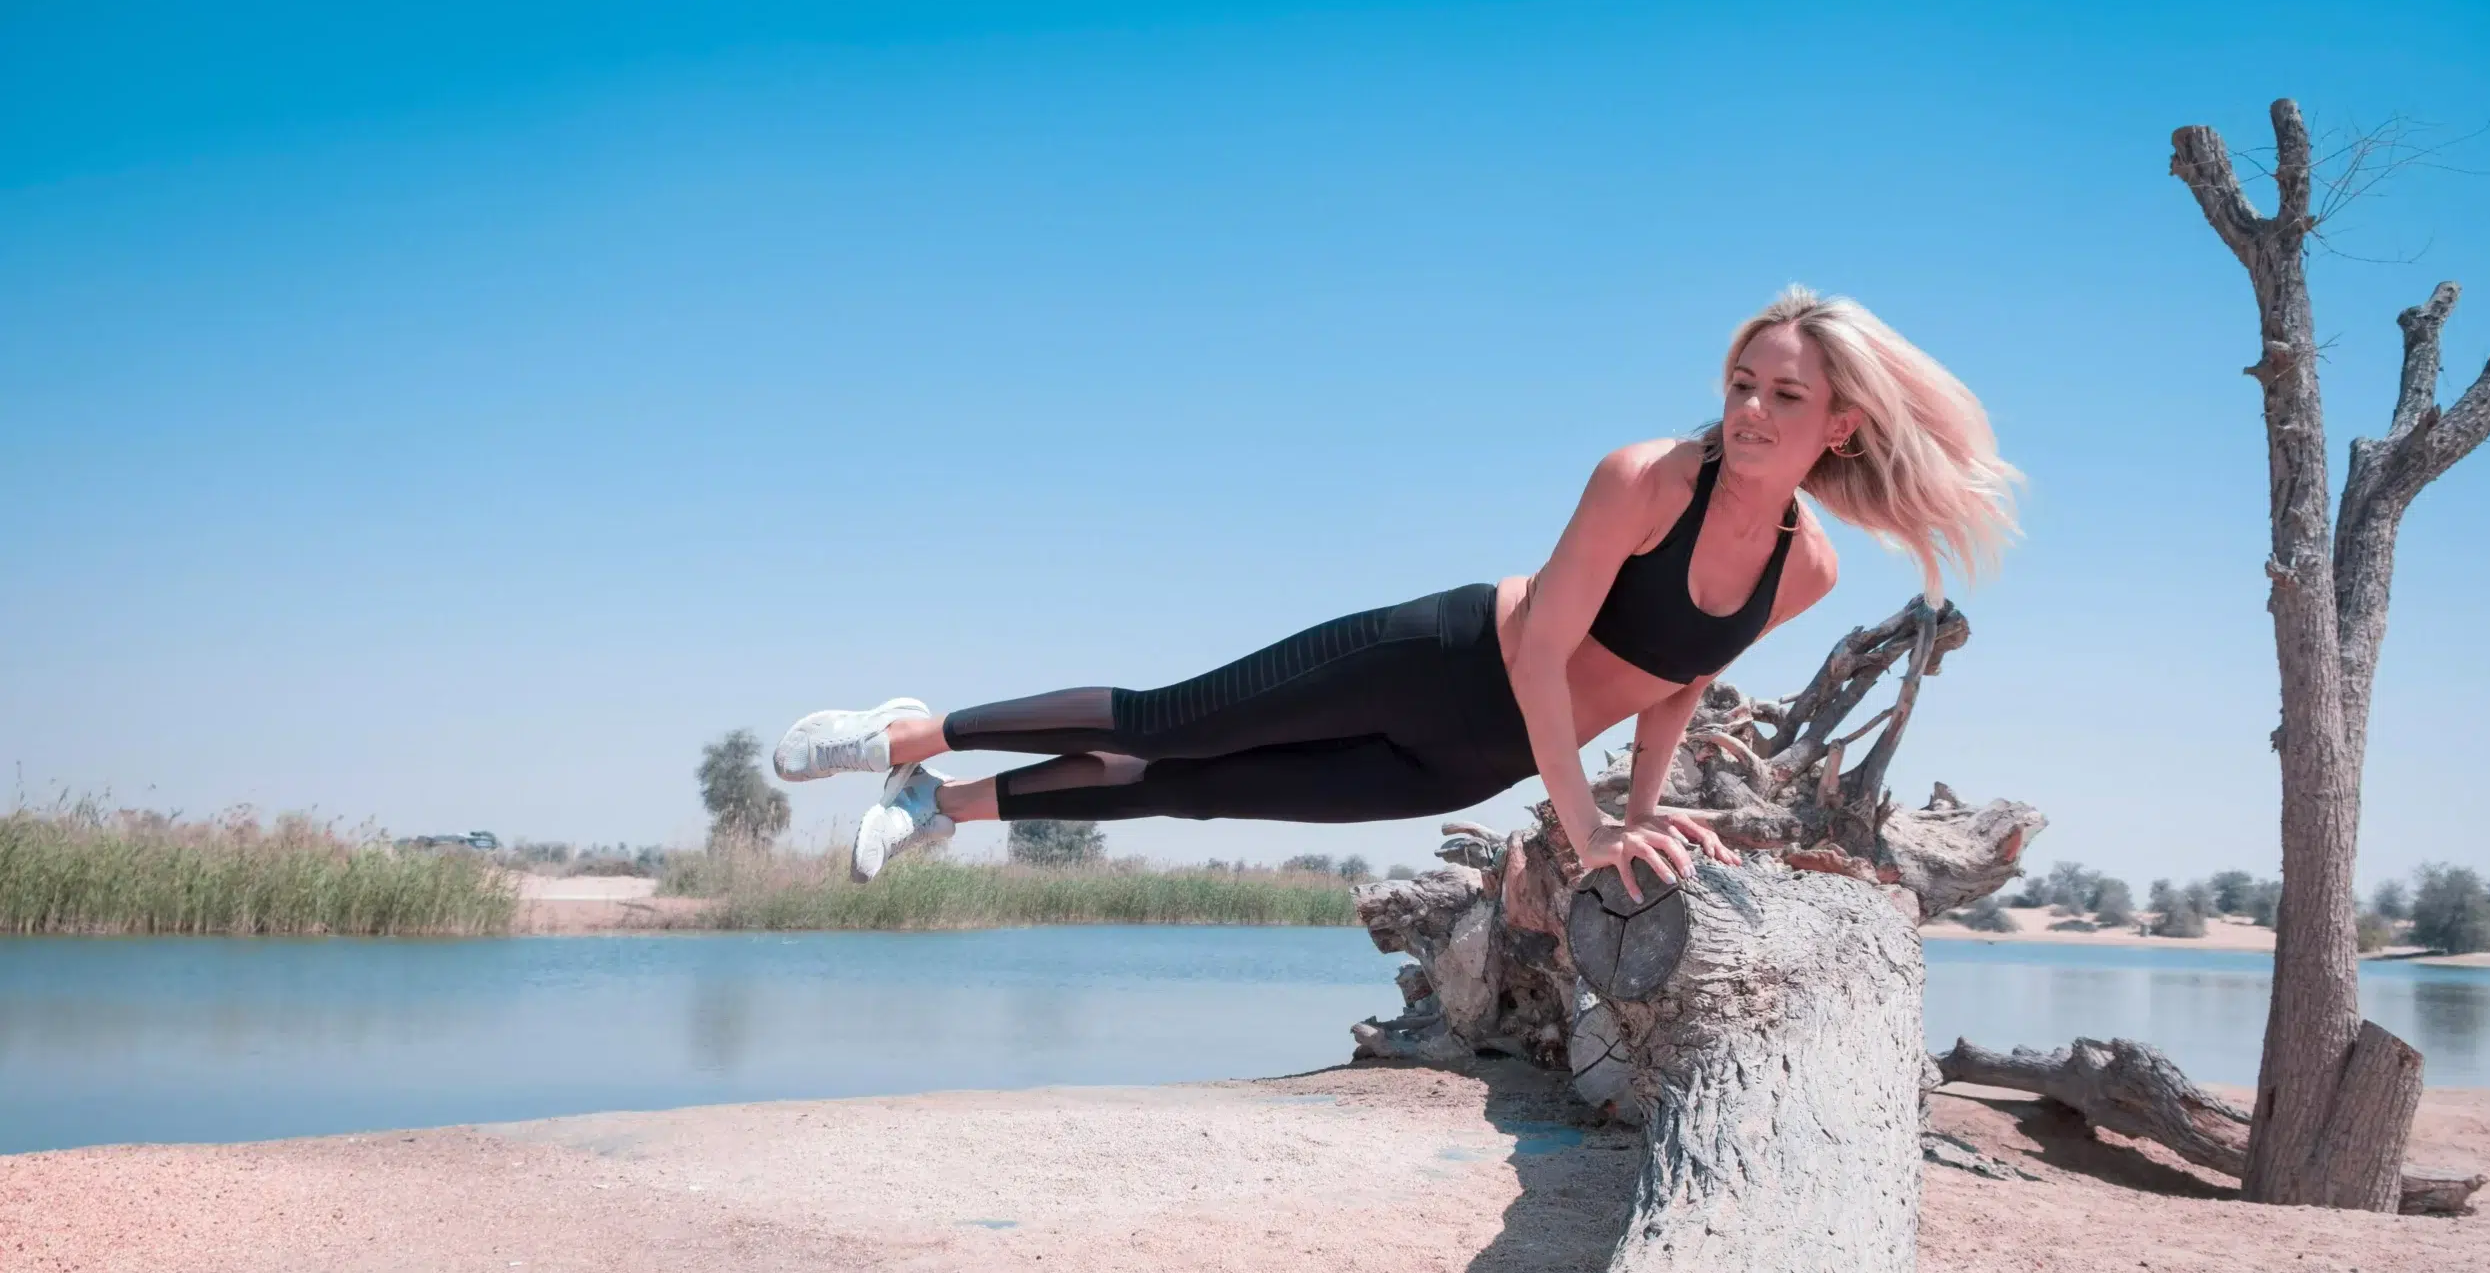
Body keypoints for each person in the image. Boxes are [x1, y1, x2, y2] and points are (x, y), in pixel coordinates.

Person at [774, 286, 2019, 896]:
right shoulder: (1645, 479)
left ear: (1841, 424)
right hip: (1439, 661)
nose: (1748, 409)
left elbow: (1674, 684)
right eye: (1741, 381)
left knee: (1199, 796)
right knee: (1163, 722)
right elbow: (1543, 654)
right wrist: (1585, 829)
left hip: (1467, 765)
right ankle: (903, 732)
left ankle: (945, 808)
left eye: (1782, 395)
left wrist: (1641, 815)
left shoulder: (1809, 566)